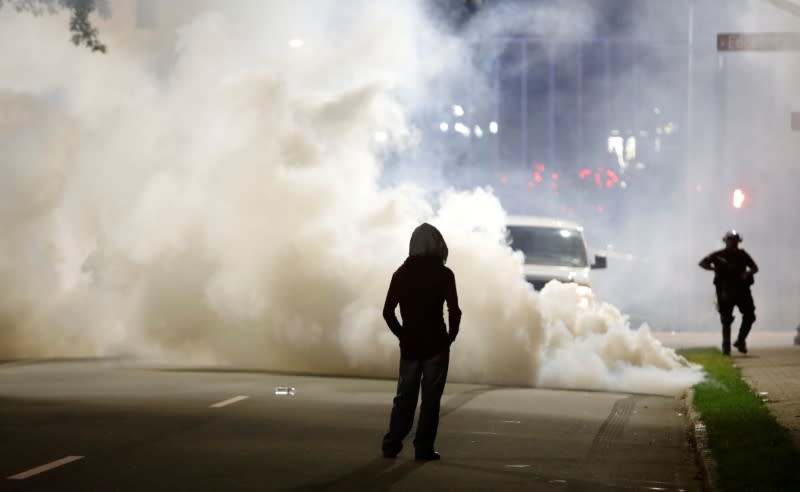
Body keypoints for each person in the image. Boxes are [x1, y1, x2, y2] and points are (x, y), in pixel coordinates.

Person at [381, 222, 461, 461]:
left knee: (404, 398)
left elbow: (387, 311)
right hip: (436, 345)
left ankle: (392, 444)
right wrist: (450, 337)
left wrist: (402, 334)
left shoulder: (401, 274)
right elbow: (454, 311)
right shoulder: (445, 275)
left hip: (410, 347)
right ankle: (423, 448)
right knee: (430, 401)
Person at [699, 230, 759, 355]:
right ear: (725, 241)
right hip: (725, 290)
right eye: (730, 239)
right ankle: (726, 347)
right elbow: (703, 263)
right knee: (726, 320)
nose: (733, 241)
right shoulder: (718, 255)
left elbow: (755, 268)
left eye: (735, 239)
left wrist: (746, 273)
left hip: (742, 290)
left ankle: (741, 340)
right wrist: (714, 268)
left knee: (750, 316)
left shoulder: (742, 254)